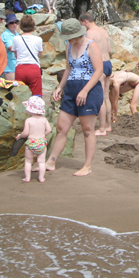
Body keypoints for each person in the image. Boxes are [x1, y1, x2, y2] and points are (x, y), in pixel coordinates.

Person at [45, 18, 104, 177]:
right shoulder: (69, 46)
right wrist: (60, 87)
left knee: (87, 129)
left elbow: (99, 70)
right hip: (71, 88)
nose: (69, 39)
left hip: (89, 89)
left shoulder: (92, 45)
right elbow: (68, 68)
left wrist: (84, 90)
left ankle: (87, 166)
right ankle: (51, 161)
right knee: (61, 128)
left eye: (70, 36)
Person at [80, 12, 113, 136]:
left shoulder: (90, 33)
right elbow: (109, 50)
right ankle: (108, 125)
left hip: (100, 65)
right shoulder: (103, 31)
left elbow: (86, 49)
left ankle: (102, 128)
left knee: (100, 98)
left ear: (85, 21)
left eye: (81, 24)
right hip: (108, 63)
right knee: (106, 96)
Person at [16, 96, 52, 182]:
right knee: (41, 162)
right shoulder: (44, 119)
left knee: (28, 161)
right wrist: (43, 134)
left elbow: (25, 133)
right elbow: (49, 130)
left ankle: (27, 178)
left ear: (30, 109)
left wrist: (20, 136)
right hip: (41, 142)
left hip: (31, 142)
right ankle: (41, 178)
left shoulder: (28, 120)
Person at [12, 14, 44, 95]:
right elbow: (39, 54)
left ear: (21, 26)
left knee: (20, 95)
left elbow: (15, 53)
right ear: (33, 26)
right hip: (34, 68)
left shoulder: (16, 38)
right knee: (36, 95)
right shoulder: (38, 39)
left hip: (20, 68)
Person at [1, 13, 19, 81]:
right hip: (9, 67)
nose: (14, 24)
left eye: (16, 22)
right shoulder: (5, 35)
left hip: (17, 65)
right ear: (7, 24)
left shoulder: (16, 34)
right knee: (12, 87)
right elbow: (10, 48)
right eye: (12, 23)